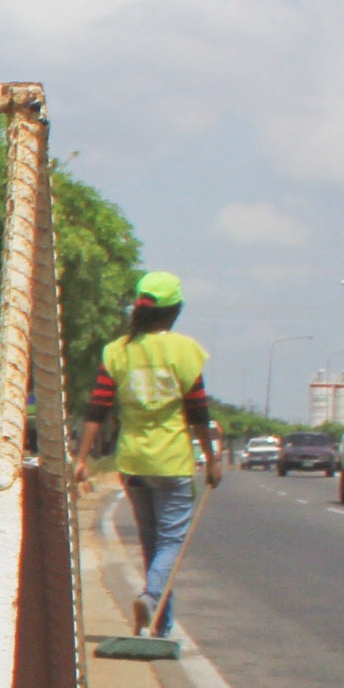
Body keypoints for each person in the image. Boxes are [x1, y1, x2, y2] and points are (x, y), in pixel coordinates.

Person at [81, 270, 224, 637]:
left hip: (132, 461)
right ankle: (152, 597)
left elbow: (96, 410)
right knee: (172, 540)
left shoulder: (118, 352)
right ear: (176, 310)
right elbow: (198, 413)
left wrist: (80, 459)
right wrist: (212, 458)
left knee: (150, 539)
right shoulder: (186, 352)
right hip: (172, 460)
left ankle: (160, 622)